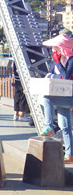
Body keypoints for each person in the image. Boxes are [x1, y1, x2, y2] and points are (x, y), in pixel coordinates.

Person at [40, 33, 73, 163]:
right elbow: (51, 74)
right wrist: (56, 65)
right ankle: (70, 154)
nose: (54, 49)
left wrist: (58, 62)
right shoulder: (56, 59)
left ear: (62, 47)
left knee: (47, 98)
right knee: (65, 127)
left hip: (69, 96)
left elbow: (66, 76)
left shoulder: (71, 59)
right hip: (61, 95)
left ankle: (48, 126)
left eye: (56, 47)